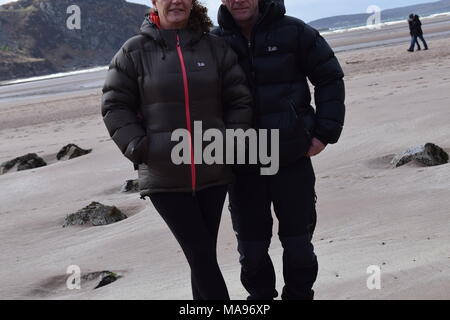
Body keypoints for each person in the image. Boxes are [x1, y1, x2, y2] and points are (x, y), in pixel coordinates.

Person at [101, 0, 253, 300]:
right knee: (200, 253)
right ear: (155, 2)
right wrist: (139, 146)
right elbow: (114, 104)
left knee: (202, 256)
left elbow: (239, 99)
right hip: (163, 174)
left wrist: (229, 142)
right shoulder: (134, 51)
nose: (176, 2)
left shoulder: (215, 47)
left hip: (213, 169)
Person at [212, 0, 346, 300]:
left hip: (291, 158)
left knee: (298, 245)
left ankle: (299, 295)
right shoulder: (213, 42)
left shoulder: (294, 31)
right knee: (251, 250)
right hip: (241, 164)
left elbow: (329, 77)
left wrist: (325, 132)